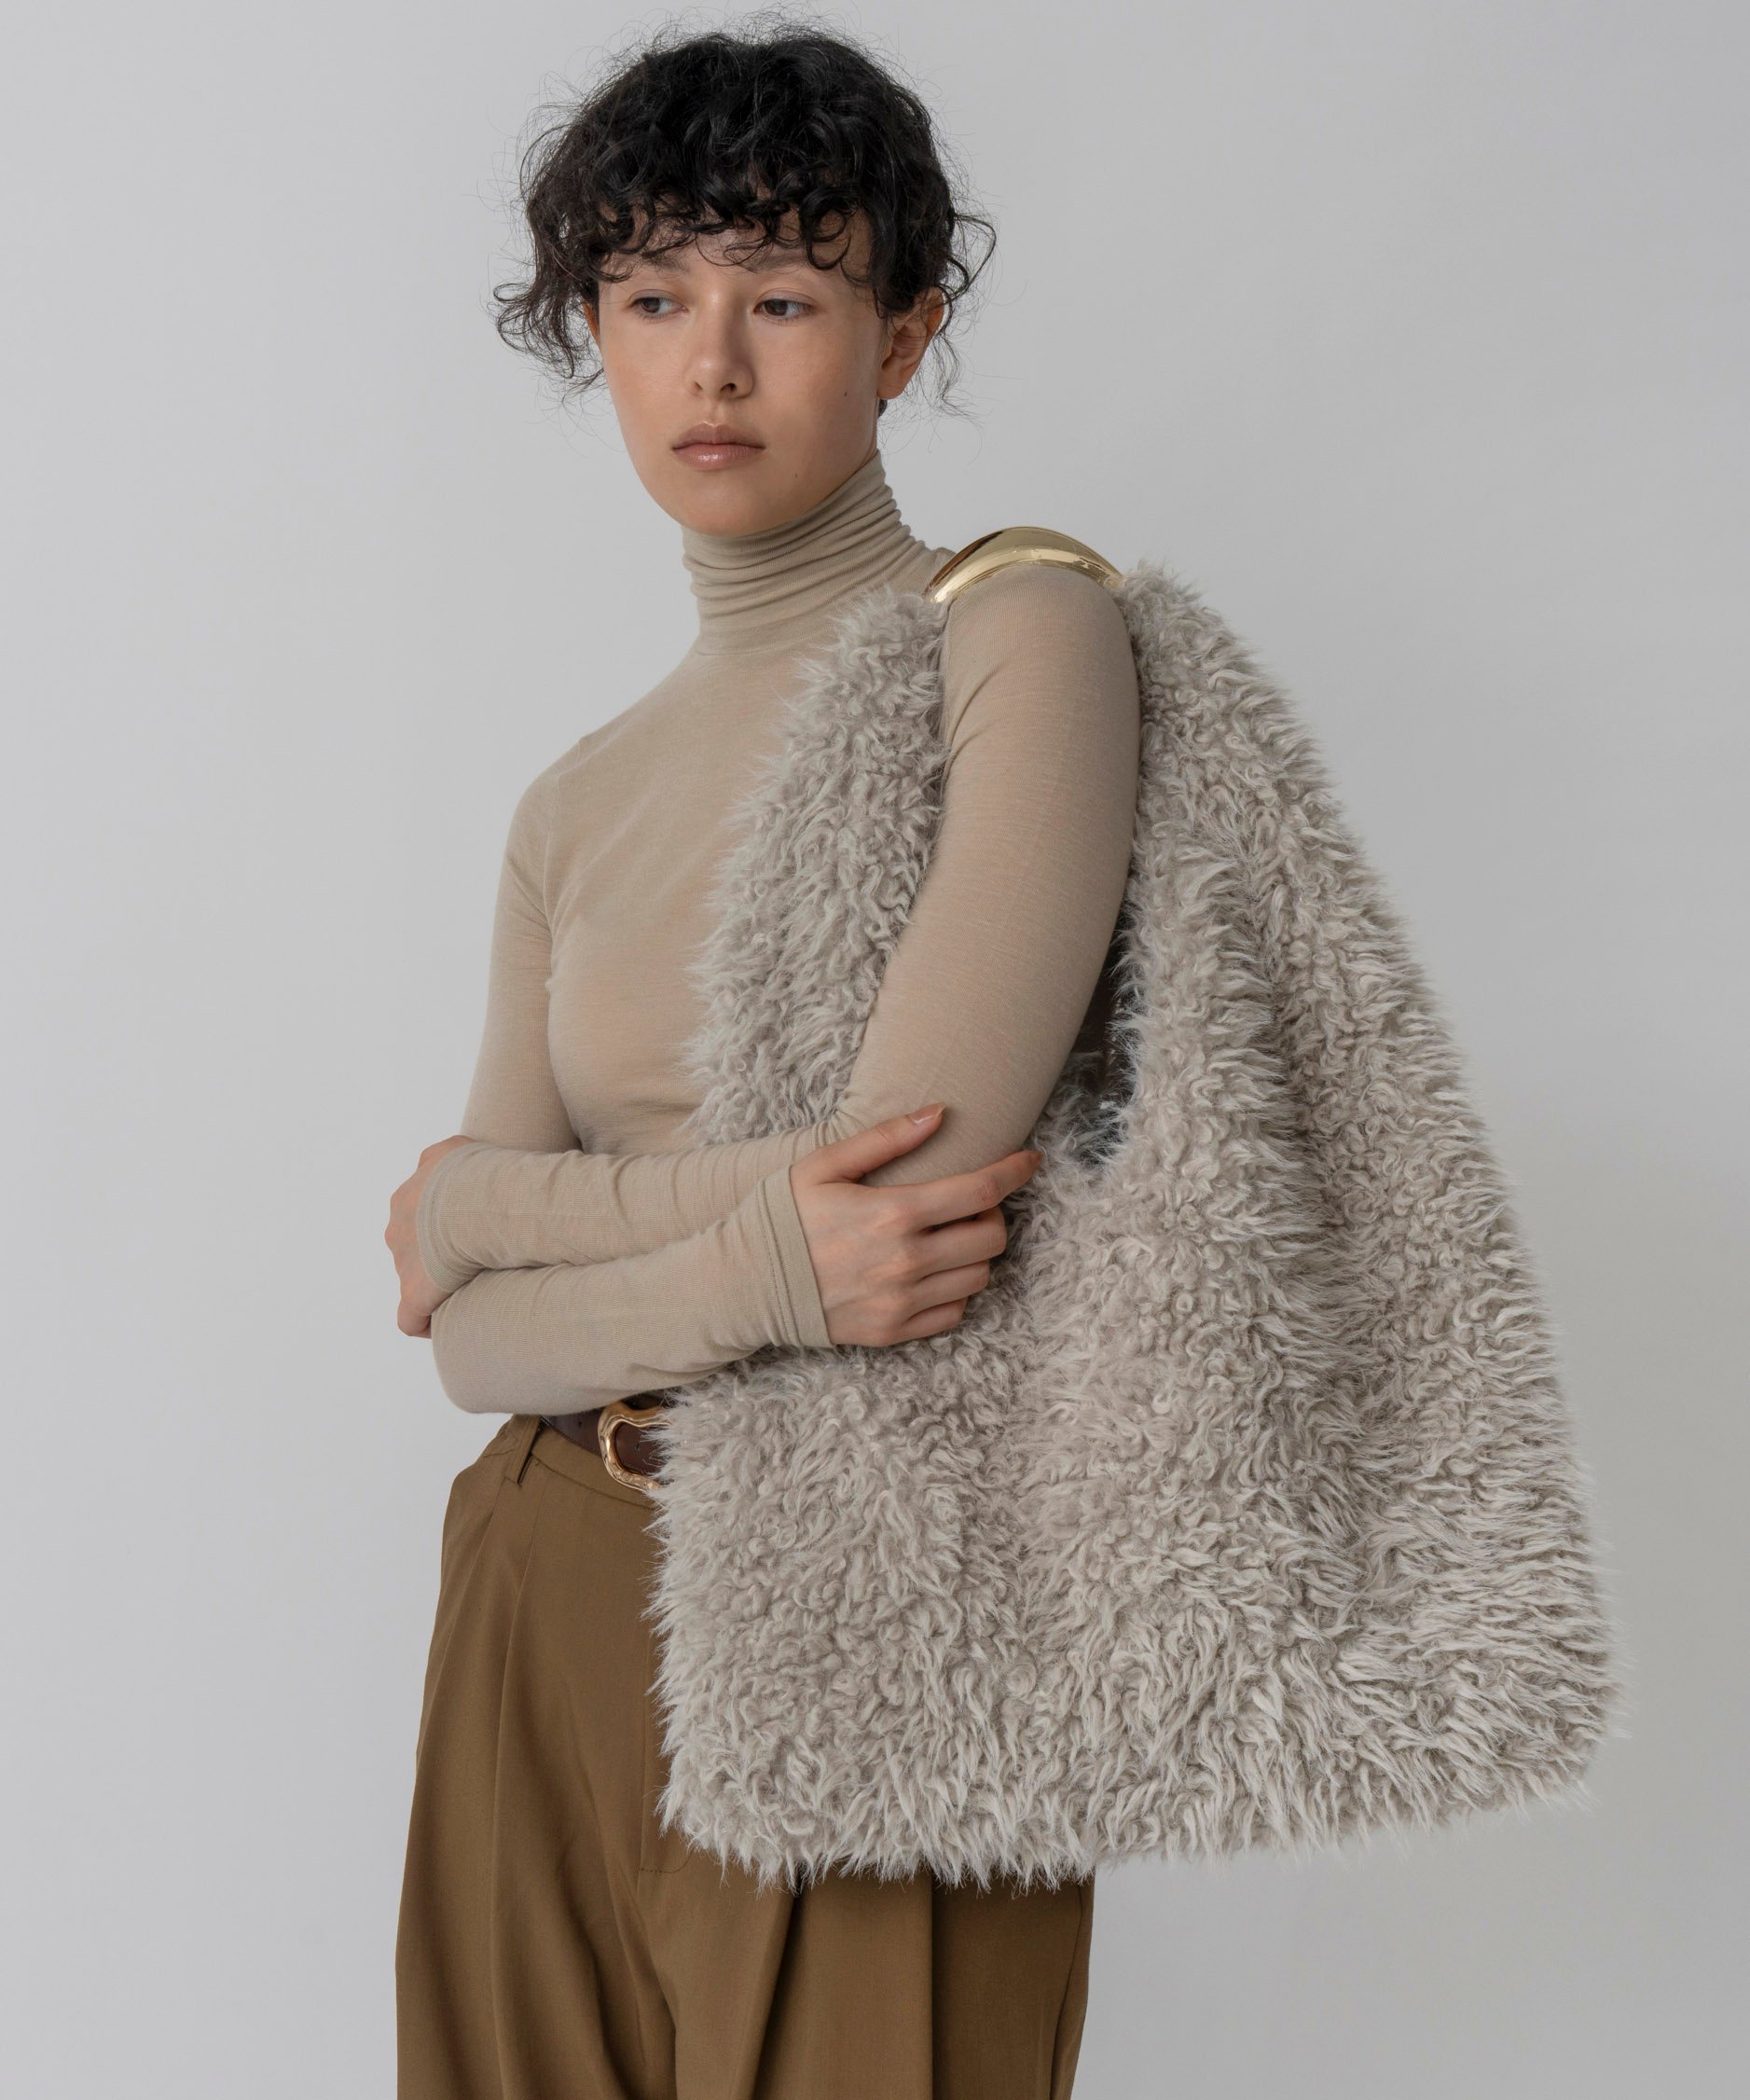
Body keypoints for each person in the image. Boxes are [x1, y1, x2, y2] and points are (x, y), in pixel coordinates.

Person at [383, 21, 1140, 2099]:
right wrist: (756, 1259)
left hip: (885, 1578)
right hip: (545, 1576)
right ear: (595, 334)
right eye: (651, 299)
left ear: (904, 337)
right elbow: (471, 1341)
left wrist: (488, 1207)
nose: (710, 365)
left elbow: (905, 1195)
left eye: (784, 297)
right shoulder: (573, 801)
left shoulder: (1016, 642)